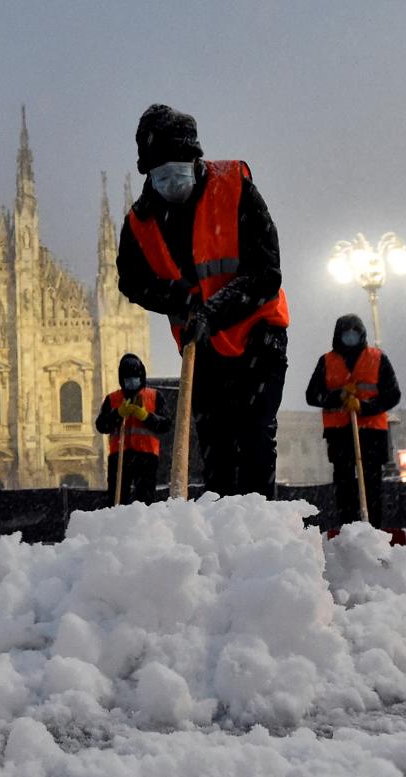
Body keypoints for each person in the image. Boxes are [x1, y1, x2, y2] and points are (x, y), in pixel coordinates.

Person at [116, 103, 290, 499]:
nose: (169, 180)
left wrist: (214, 311)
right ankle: (223, 540)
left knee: (255, 439)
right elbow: (131, 280)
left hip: (258, 335)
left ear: (195, 159)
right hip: (202, 345)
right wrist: (175, 296)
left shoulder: (234, 186)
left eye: (176, 168)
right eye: (158, 173)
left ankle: (262, 537)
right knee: (217, 450)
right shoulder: (141, 219)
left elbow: (267, 272)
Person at [305, 314, 401, 528]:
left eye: (354, 333)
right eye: (346, 333)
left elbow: (392, 394)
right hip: (339, 433)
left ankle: (373, 527)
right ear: (338, 336)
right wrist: (338, 396)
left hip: (372, 432)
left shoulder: (377, 358)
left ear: (361, 334)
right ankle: (348, 527)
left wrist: (365, 407)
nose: (350, 337)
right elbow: (312, 395)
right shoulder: (327, 361)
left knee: (372, 483)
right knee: (344, 483)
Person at [95, 353, 170, 504]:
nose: (131, 382)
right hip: (119, 456)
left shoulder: (155, 396)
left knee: (145, 499)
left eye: (135, 377)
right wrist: (118, 414)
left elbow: (165, 425)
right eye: (127, 378)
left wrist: (145, 416)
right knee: (117, 500)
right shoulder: (112, 399)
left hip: (147, 456)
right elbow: (101, 425)